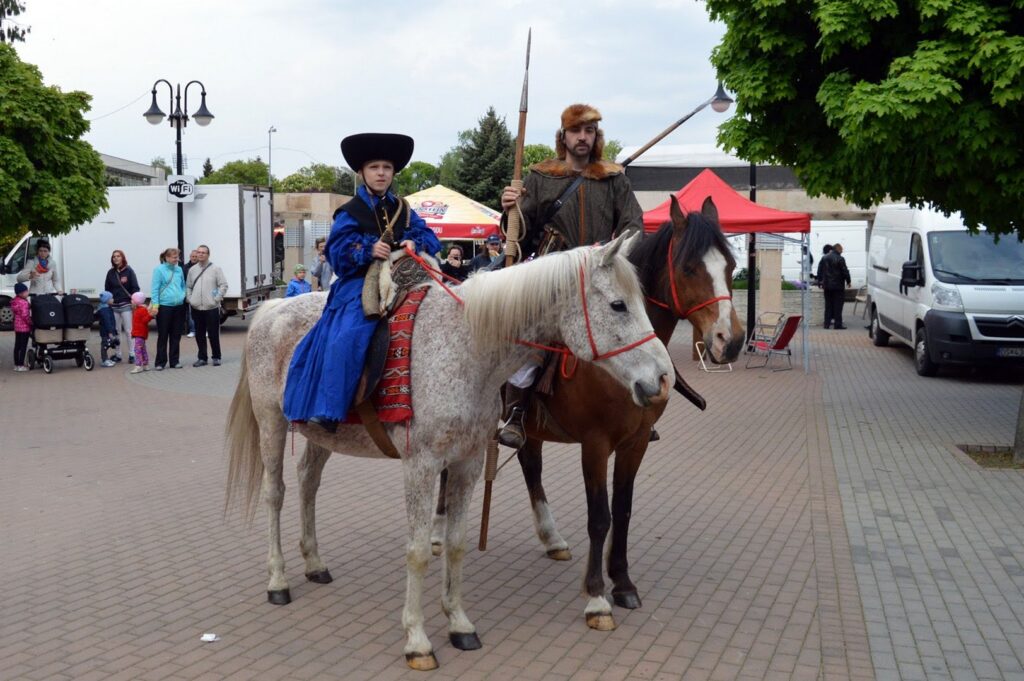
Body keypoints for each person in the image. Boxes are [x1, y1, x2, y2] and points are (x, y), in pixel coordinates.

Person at [496, 103, 645, 448]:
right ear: (563, 137)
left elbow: (635, 227)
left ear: (596, 137)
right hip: (553, 277)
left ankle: (641, 408)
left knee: (635, 328)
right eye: (576, 131)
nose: (583, 137)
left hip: (600, 277)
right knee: (531, 335)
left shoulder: (614, 180)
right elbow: (520, 237)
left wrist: (613, 257)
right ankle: (517, 412)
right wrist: (511, 211)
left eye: (589, 131)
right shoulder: (541, 178)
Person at [283, 132, 442, 431]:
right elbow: (336, 250)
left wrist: (412, 243)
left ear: (393, 172)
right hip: (360, 283)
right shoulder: (349, 211)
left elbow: (429, 236)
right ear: (361, 173)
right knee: (349, 333)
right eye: (374, 167)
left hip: (404, 276)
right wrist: (367, 250)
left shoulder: (403, 209)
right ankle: (330, 409)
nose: (381, 173)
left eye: (386, 167)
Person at [186, 244, 229, 367]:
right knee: (199, 334)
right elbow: (188, 286)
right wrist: (190, 299)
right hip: (196, 307)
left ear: (208, 255)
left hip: (211, 307)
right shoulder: (192, 270)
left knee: (213, 334)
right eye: (199, 252)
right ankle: (202, 358)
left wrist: (216, 299)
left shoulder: (216, 269)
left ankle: (216, 357)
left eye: (203, 252)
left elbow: (223, 285)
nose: (200, 254)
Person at [150, 247, 187, 370]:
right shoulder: (159, 270)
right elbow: (154, 289)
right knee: (163, 335)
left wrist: (182, 295)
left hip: (178, 306)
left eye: (177, 257)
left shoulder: (179, 270)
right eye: (174, 257)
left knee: (176, 335)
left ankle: (174, 361)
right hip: (165, 306)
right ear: (166, 257)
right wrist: (155, 305)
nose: (176, 259)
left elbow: (183, 285)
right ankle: (160, 362)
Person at [105, 250, 140, 363]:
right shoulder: (110, 273)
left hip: (126, 305)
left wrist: (134, 300)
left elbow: (135, 288)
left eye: (118, 256)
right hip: (114, 306)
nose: (116, 258)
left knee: (129, 331)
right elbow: (107, 289)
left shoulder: (129, 271)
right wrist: (108, 298)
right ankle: (118, 354)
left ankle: (132, 354)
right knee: (116, 331)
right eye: (114, 256)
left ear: (122, 258)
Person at [819, 243, 851, 329]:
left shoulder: (824, 258)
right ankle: (838, 324)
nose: (842, 251)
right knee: (838, 306)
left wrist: (820, 282)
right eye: (842, 249)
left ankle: (826, 324)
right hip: (838, 286)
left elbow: (820, 270)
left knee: (828, 305)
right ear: (838, 249)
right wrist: (848, 281)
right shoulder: (840, 259)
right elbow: (845, 271)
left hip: (827, 286)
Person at [130, 292, 153, 373]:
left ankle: (138, 365)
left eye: (132, 300)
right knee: (142, 349)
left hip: (139, 333)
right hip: (140, 333)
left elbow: (145, 320)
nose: (131, 301)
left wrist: (150, 315)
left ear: (137, 301)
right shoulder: (138, 309)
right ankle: (146, 364)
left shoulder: (141, 310)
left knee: (137, 350)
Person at [11, 283, 31, 372]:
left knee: (17, 346)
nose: (28, 292)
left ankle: (16, 365)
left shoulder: (15, 301)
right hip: (24, 328)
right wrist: (31, 323)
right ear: (21, 293)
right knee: (23, 347)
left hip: (17, 327)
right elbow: (25, 315)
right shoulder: (23, 303)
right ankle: (21, 365)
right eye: (26, 291)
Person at [97, 291, 120, 367]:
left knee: (107, 345)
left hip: (108, 331)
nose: (113, 299)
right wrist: (110, 332)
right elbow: (107, 322)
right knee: (104, 345)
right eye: (111, 298)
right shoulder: (104, 310)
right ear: (107, 300)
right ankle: (104, 360)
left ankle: (106, 359)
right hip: (105, 332)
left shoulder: (107, 308)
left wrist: (114, 331)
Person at [182, 249, 200, 338]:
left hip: (201, 293)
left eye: (195, 256)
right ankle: (193, 330)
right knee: (190, 313)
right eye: (192, 256)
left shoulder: (202, 267)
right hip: (190, 293)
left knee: (203, 313)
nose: (193, 258)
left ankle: (204, 330)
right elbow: (183, 281)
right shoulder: (185, 268)